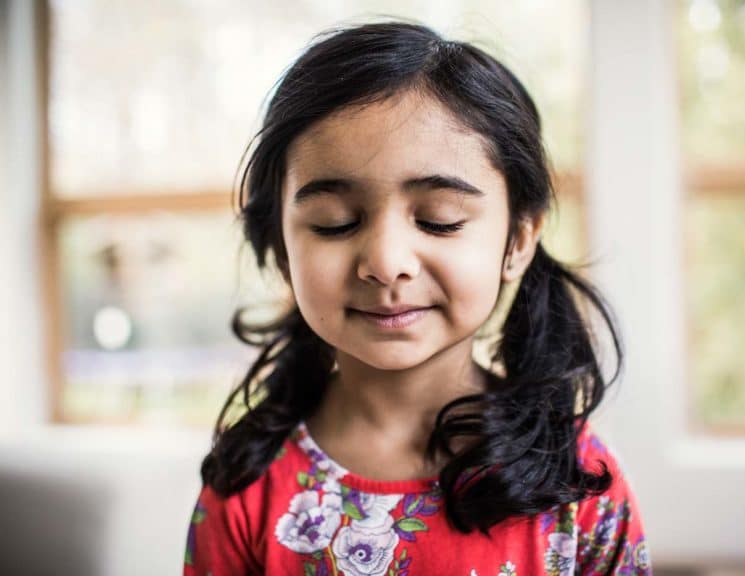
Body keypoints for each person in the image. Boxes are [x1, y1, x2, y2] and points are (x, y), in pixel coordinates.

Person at [183, 21, 652, 576]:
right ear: (283, 248)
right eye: (335, 224)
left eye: (439, 220)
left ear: (519, 238)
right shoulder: (247, 486)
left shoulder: (577, 480)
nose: (385, 262)